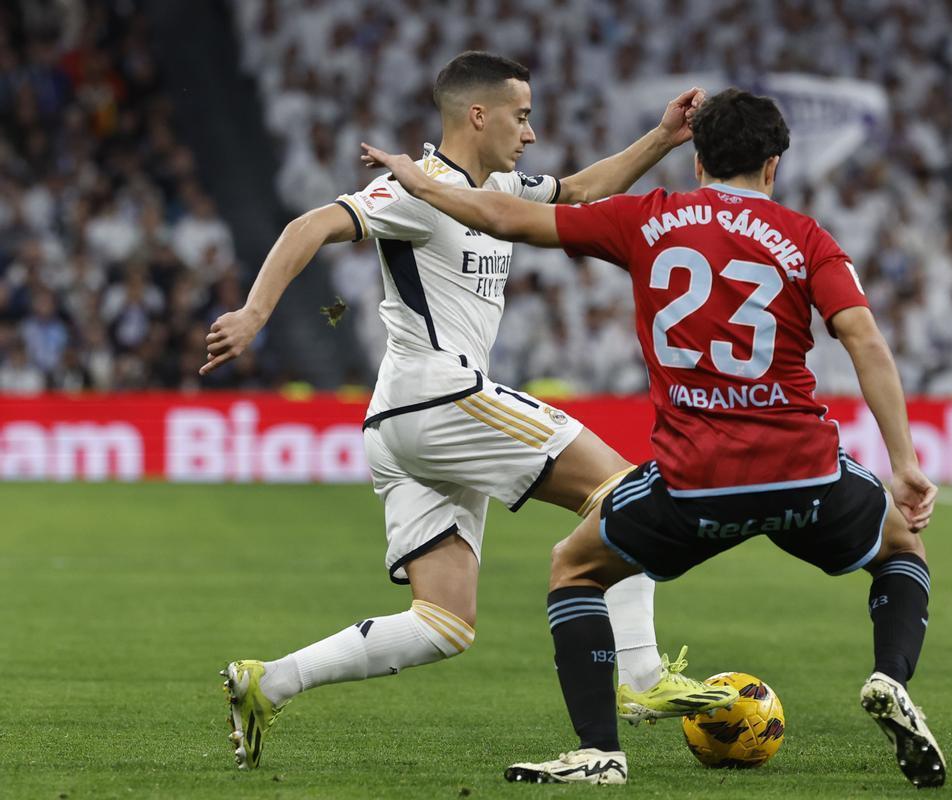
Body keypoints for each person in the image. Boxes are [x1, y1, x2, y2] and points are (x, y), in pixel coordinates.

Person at [367, 87, 946, 788]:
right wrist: (905, 463)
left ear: (697, 160)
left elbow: (503, 217)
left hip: (695, 480)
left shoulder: (650, 220)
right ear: (773, 164)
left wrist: (417, 178)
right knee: (900, 547)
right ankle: (889, 677)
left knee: (575, 570)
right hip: (802, 471)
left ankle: (599, 752)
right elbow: (864, 340)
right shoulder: (807, 238)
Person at [202, 52, 737, 771]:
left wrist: (662, 138)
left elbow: (579, 191)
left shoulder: (503, 186)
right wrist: (254, 311)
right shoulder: (420, 190)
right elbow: (310, 225)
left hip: (399, 423)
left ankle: (270, 681)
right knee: (628, 495)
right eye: (521, 116)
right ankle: (641, 680)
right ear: (477, 116)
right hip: (439, 395)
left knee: (443, 624)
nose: (533, 133)